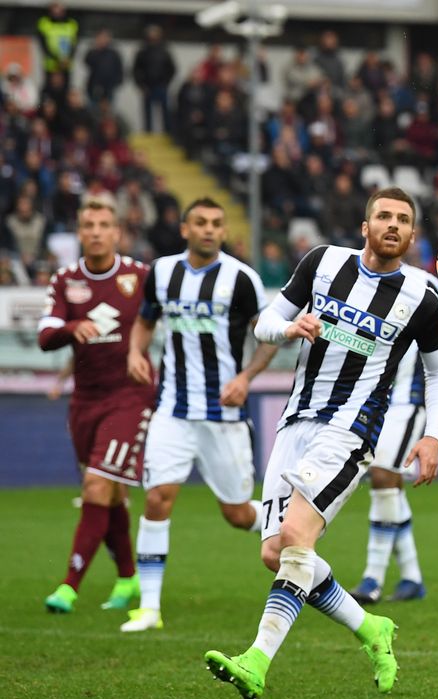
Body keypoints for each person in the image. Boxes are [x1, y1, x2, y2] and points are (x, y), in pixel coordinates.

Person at [202, 187, 438, 699]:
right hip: (296, 422)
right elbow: (266, 323)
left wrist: (433, 435)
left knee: (297, 534)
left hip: (351, 430)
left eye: (403, 219)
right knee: (275, 552)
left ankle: (256, 661)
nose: (393, 224)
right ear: (365, 226)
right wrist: (290, 328)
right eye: (383, 216)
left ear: (412, 235)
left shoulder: (422, 297)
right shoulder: (322, 263)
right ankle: (370, 627)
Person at [121, 198, 277, 632]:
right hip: (172, 409)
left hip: (223, 415)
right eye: (201, 222)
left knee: (237, 515)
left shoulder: (241, 278)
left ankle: (286, 524)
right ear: (185, 229)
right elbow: (145, 321)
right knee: (157, 498)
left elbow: (267, 337)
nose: (209, 229)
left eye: (216, 223)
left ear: (224, 231)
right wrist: (135, 352)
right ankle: (149, 608)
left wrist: (245, 377)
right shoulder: (162, 272)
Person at [39, 197, 155, 613]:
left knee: (97, 485)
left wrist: (140, 353)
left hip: (130, 396)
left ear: (117, 232)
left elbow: (166, 321)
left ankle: (68, 587)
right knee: (110, 493)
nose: (96, 232)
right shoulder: (66, 280)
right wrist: (73, 327)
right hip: (85, 400)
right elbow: (46, 335)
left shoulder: (140, 276)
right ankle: (127, 577)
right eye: (88, 225)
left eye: (104, 225)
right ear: (79, 232)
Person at [351, 264, 438, 604]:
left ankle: (372, 578)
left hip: (409, 398)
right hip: (371, 398)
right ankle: (411, 577)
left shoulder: (425, 282)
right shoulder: (354, 278)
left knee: (381, 475)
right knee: (389, 484)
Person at [132, 25, 176, 133]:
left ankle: (167, 132)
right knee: (147, 112)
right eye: (151, 33)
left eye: (155, 33)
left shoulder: (164, 50)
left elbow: (172, 69)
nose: (153, 35)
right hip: (147, 86)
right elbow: (136, 70)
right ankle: (148, 133)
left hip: (161, 86)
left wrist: (165, 83)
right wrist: (140, 84)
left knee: (165, 111)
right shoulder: (142, 51)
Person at [36, 2, 78, 89]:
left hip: (66, 64)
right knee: (50, 88)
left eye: (59, 10)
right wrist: (56, 58)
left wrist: (68, 57)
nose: (57, 13)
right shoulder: (44, 23)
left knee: (65, 88)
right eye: (55, 10)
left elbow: (74, 43)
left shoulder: (72, 24)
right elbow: (43, 44)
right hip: (51, 64)